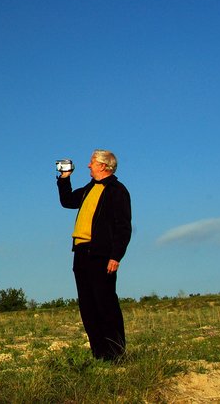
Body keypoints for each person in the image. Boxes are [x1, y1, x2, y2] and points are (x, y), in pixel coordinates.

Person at [57, 149, 132, 361]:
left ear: (103, 166)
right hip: (81, 253)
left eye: (92, 162)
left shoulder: (117, 191)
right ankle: (99, 355)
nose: (88, 165)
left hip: (102, 254)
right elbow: (68, 201)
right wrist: (64, 178)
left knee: (106, 304)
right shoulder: (90, 188)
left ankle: (116, 354)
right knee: (88, 306)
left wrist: (116, 256)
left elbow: (123, 227)